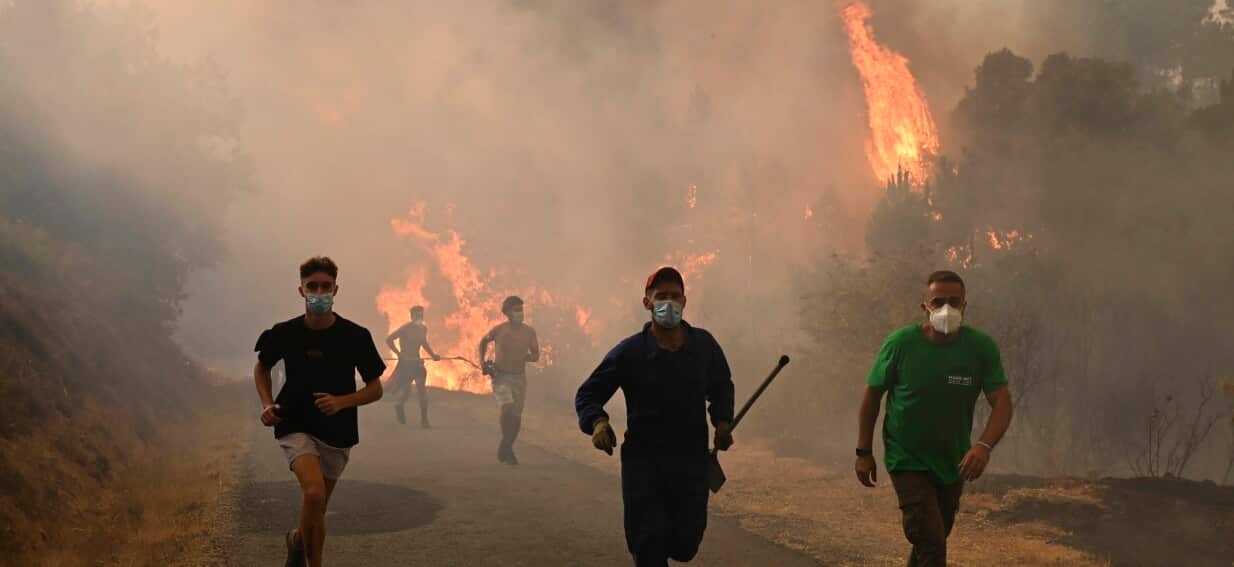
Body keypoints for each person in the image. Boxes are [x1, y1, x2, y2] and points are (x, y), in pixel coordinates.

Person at [575, 266, 734, 567]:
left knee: (685, 545)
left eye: (675, 296)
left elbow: (721, 385)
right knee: (649, 546)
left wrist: (723, 422)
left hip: (690, 464)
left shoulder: (704, 346)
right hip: (643, 467)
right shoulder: (630, 352)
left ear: (685, 301)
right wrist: (597, 422)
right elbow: (588, 394)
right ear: (647, 302)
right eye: (661, 296)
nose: (669, 303)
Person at [855, 270, 1014, 567]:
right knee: (929, 539)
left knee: (936, 537)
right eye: (938, 301)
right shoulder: (901, 344)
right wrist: (864, 452)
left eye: (955, 302)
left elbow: (1002, 402)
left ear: (965, 306)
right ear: (924, 307)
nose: (946, 309)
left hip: (952, 461)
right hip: (907, 458)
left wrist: (983, 446)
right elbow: (872, 395)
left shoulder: (980, 348)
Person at [253, 256, 386, 567]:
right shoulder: (284, 333)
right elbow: (262, 367)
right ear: (300, 290)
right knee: (313, 494)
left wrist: (342, 402)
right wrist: (267, 403)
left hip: (338, 432)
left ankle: (298, 541)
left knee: (318, 508)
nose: (319, 292)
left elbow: (375, 389)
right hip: (294, 421)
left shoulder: (356, 336)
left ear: (336, 289)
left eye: (326, 286)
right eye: (312, 286)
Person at [478, 295, 539, 465]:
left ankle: (507, 447)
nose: (520, 313)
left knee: (517, 416)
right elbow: (483, 341)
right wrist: (482, 362)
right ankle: (506, 445)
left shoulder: (529, 332)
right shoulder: (499, 330)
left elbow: (536, 353)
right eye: (516, 310)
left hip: (519, 378)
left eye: (522, 309)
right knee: (507, 408)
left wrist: (529, 357)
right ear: (508, 313)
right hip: (501, 376)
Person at [385, 305, 440, 428]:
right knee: (407, 392)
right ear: (412, 316)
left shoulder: (423, 328)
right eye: (417, 314)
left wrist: (433, 355)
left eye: (421, 314)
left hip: (417, 363)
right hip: (406, 364)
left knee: (422, 391)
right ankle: (399, 406)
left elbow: (424, 343)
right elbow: (389, 339)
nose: (420, 317)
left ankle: (424, 420)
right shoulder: (405, 328)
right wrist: (399, 354)